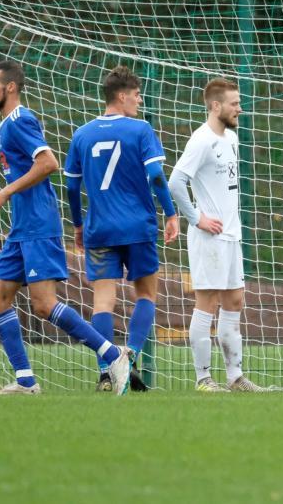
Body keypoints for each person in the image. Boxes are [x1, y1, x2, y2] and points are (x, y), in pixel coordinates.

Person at [0, 60, 132, 395]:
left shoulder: (20, 120)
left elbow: (48, 162)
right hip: (22, 229)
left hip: (38, 224)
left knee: (44, 305)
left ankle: (112, 353)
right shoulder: (5, 126)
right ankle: (26, 381)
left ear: (10, 87)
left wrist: (6, 190)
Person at [64, 65, 179, 394]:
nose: (140, 101)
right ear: (122, 95)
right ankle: (129, 357)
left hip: (99, 228)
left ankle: (105, 370)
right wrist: (170, 214)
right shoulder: (140, 130)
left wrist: (77, 225)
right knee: (146, 294)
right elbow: (156, 175)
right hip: (138, 227)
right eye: (137, 95)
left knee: (103, 302)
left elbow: (72, 188)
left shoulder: (82, 134)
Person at [167, 78, 266, 392]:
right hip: (208, 238)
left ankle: (235, 377)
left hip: (231, 236)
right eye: (234, 103)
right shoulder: (201, 140)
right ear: (215, 106)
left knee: (234, 300)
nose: (240, 108)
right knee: (206, 304)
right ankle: (203, 379)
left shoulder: (231, 138)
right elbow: (174, 183)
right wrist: (197, 219)